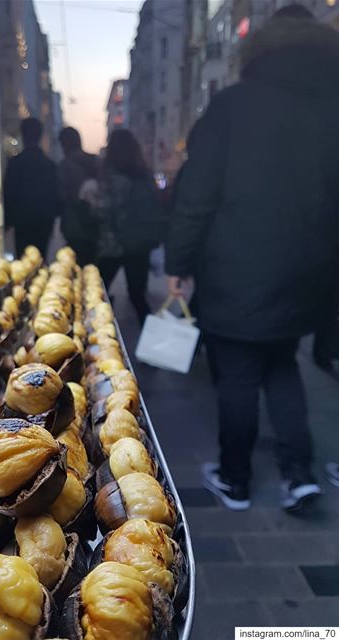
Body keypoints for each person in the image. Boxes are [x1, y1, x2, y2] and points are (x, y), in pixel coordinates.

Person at [165, 4, 339, 512]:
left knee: (237, 373)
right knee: (283, 366)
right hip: (306, 270)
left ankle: (236, 479)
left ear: (257, 50)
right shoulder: (332, 110)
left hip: (233, 268)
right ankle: (299, 474)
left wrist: (179, 262)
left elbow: (197, 194)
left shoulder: (233, 106)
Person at [98, 129, 165, 325]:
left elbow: (106, 210)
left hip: (114, 244)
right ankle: (151, 341)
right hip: (139, 244)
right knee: (137, 295)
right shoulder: (144, 175)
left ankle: (98, 336)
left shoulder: (112, 176)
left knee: (98, 289)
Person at [3, 118, 60, 257]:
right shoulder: (49, 165)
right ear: (40, 135)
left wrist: (8, 220)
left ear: (23, 135)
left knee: (23, 260)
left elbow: (8, 192)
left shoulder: (15, 164)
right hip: (43, 220)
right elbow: (55, 194)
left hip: (22, 221)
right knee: (40, 258)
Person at [58, 127, 100, 265]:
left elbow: (61, 196)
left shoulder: (64, 166)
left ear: (64, 145)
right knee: (92, 271)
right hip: (96, 226)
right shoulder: (96, 161)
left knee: (76, 272)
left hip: (74, 227)